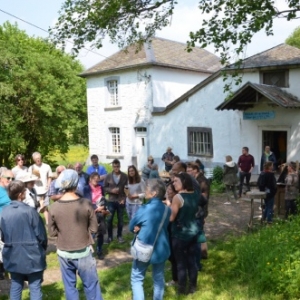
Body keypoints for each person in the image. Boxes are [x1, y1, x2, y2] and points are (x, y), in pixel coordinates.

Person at [48, 169, 103, 300]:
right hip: (83, 250)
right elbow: (94, 228)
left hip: (64, 252)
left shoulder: (54, 207)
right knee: (91, 286)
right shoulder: (86, 204)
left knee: (70, 287)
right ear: (76, 183)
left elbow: (52, 232)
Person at [1, 180, 47, 300]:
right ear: (21, 194)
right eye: (24, 190)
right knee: (35, 287)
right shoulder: (30, 211)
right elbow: (41, 236)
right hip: (33, 255)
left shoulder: (3, 212)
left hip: (13, 255)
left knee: (16, 286)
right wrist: (42, 250)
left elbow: (3, 236)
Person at [130, 179, 171, 300]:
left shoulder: (144, 209)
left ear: (154, 193)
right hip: (161, 249)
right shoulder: (167, 210)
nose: (144, 191)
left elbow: (132, 226)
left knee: (137, 278)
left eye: (147, 189)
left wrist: (138, 227)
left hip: (144, 247)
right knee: (158, 279)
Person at [165, 173, 199, 295]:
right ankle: (193, 287)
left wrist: (166, 212)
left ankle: (181, 290)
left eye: (176, 181)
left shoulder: (178, 197)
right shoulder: (195, 193)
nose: (173, 183)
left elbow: (172, 218)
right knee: (192, 261)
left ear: (184, 181)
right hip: (193, 232)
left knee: (180, 263)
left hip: (179, 234)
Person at [83, 172, 109, 260]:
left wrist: (103, 207)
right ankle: (88, 250)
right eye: (94, 179)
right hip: (91, 212)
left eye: (98, 179)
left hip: (101, 213)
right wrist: (96, 208)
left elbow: (104, 199)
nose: (96, 180)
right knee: (92, 232)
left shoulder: (101, 187)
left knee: (100, 232)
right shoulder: (86, 188)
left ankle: (99, 250)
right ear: (90, 179)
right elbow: (87, 201)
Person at [104, 159, 128, 244]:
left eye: (117, 166)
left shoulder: (125, 176)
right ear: (112, 166)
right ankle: (110, 237)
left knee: (120, 219)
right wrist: (111, 190)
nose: (116, 168)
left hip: (121, 200)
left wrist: (124, 199)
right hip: (111, 200)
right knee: (109, 219)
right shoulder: (108, 176)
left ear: (120, 166)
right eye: (114, 166)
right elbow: (105, 188)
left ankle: (119, 236)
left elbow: (127, 189)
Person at [28, 152, 53, 225]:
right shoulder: (31, 168)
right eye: (36, 159)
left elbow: (50, 176)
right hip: (35, 190)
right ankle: (36, 222)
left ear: (41, 158)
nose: (38, 160)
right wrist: (35, 179)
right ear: (33, 160)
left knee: (45, 207)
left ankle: (48, 223)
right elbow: (29, 179)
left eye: (39, 158)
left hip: (45, 190)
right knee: (35, 207)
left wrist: (48, 185)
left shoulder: (46, 166)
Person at [0, 169, 13, 280]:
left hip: (11, 221)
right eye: (8, 178)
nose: (11, 180)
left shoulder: (9, 190)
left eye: (12, 178)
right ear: (1, 178)